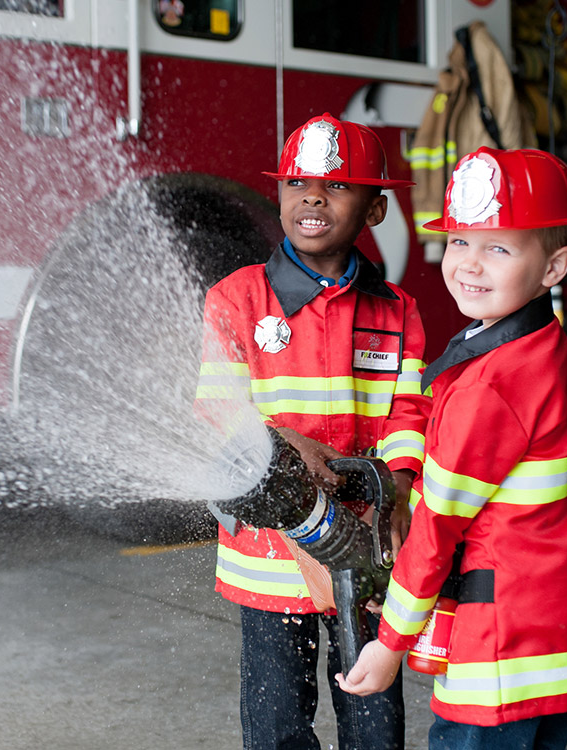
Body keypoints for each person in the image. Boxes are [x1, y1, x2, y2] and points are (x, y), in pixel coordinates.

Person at [336, 146, 567, 750]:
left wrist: (391, 645)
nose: (469, 264)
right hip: (555, 639)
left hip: (501, 658)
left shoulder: (491, 384)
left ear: (555, 267)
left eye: (498, 248)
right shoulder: (544, 344)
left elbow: (439, 526)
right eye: (460, 242)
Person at [195, 113, 430, 750]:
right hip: (270, 563)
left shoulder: (398, 311)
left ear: (376, 209)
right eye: (297, 181)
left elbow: (410, 414)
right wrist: (275, 439)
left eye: (337, 186)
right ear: (279, 196)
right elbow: (216, 409)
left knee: (374, 721)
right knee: (276, 726)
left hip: (365, 551)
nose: (313, 197)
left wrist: (401, 487)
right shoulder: (237, 300)